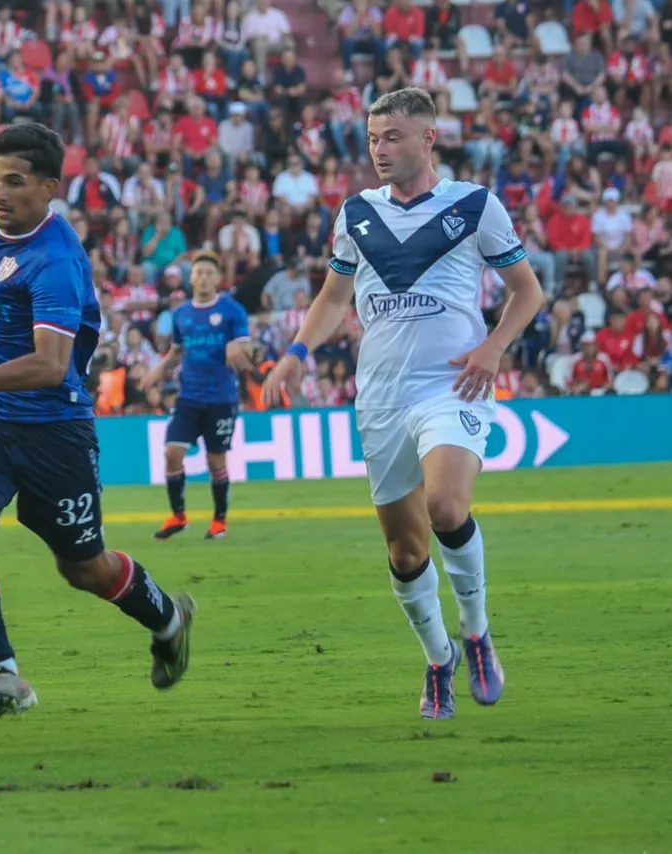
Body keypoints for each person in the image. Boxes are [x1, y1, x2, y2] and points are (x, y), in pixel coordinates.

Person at [262, 87, 544, 720]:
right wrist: (297, 352)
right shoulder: (356, 213)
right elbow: (335, 297)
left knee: (446, 506)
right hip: (382, 395)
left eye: (391, 137)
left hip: (451, 383)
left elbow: (527, 291)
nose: (379, 150)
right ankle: (439, 658)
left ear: (428, 138)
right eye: (371, 139)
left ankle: (476, 632)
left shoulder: (474, 205)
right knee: (405, 552)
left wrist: (493, 347)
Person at [0, 123, 196, 719]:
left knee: (83, 568)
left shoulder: (58, 260)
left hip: (55, 430)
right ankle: (5, 674)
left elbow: (50, 365)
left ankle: (169, 619)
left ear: (50, 188)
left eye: (15, 182)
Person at [138, 251, 253, 540]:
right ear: (191, 278)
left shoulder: (232, 311)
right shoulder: (181, 314)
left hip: (221, 398)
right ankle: (178, 516)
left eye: (209, 273)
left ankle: (219, 521)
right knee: (171, 454)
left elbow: (247, 351)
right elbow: (176, 352)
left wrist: (238, 350)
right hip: (188, 396)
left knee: (216, 462)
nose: (203, 278)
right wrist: (157, 371)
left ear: (218, 279)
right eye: (199, 272)